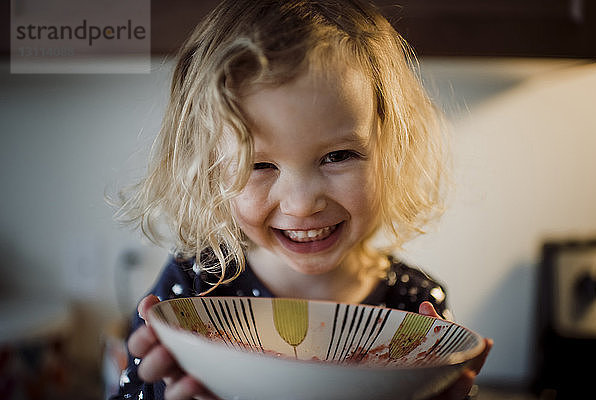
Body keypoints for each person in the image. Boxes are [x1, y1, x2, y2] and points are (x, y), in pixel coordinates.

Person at [111, 0, 492, 399]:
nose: (301, 204)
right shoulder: (194, 291)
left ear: (391, 148)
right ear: (209, 169)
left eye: (338, 156)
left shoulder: (412, 307)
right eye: (259, 165)